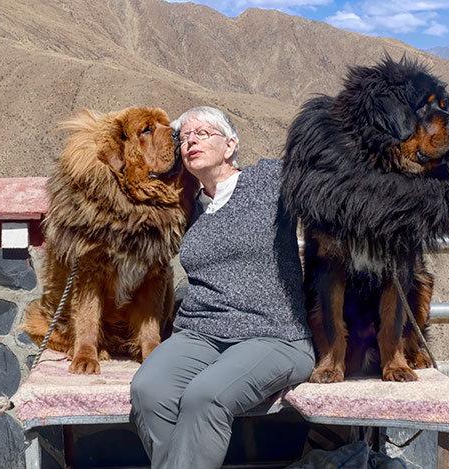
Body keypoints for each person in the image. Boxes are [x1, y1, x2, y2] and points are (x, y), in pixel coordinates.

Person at [130, 106, 315, 469]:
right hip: (200, 335)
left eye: (202, 133)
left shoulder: (270, 180)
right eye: (184, 138)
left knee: (206, 396)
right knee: (148, 391)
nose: (190, 141)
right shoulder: (185, 206)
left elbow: (329, 173)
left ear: (230, 145)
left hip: (274, 336)